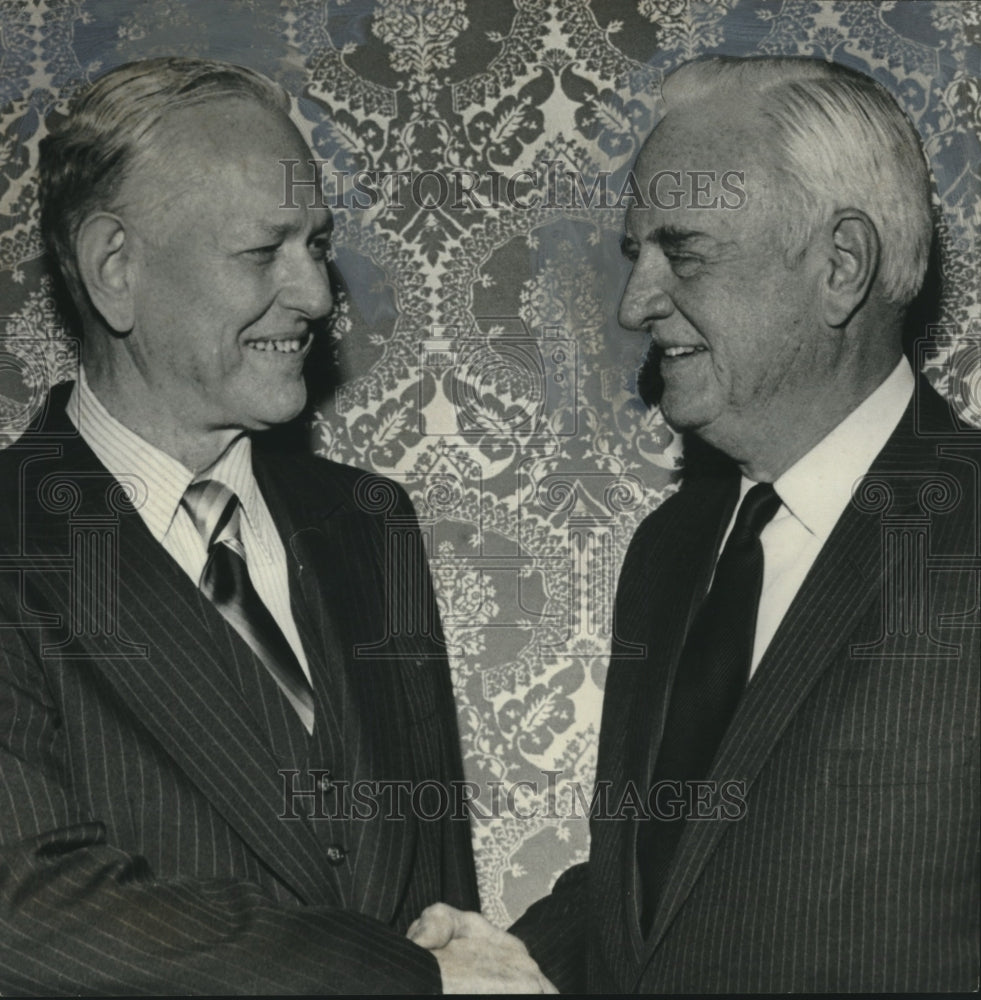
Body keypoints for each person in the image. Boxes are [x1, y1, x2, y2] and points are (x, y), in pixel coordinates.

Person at [408, 56, 979, 992]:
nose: (635, 302)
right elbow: (666, 888)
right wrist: (497, 966)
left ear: (840, 266)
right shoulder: (670, 552)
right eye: (636, 253)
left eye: (686, 251)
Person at [0, 57, 553, 994]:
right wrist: (396, 979)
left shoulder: (369, 525)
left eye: (318, 244)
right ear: (114, 269)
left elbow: (439, 905)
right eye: (264, 252)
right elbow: (27, 910)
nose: (314, 295)